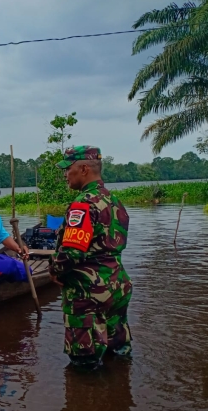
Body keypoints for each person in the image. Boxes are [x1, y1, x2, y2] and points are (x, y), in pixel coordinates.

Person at [49, 145, 133, 369]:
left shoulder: (83, 204)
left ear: (84, 168)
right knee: (119, 355)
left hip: (88, 293)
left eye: (68, 169)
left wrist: (55, 270)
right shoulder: (114, 201)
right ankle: (121, 399)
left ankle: (86, 402)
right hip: (117, 286)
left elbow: (72, 252)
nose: (65, 175)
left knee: (84, 364)